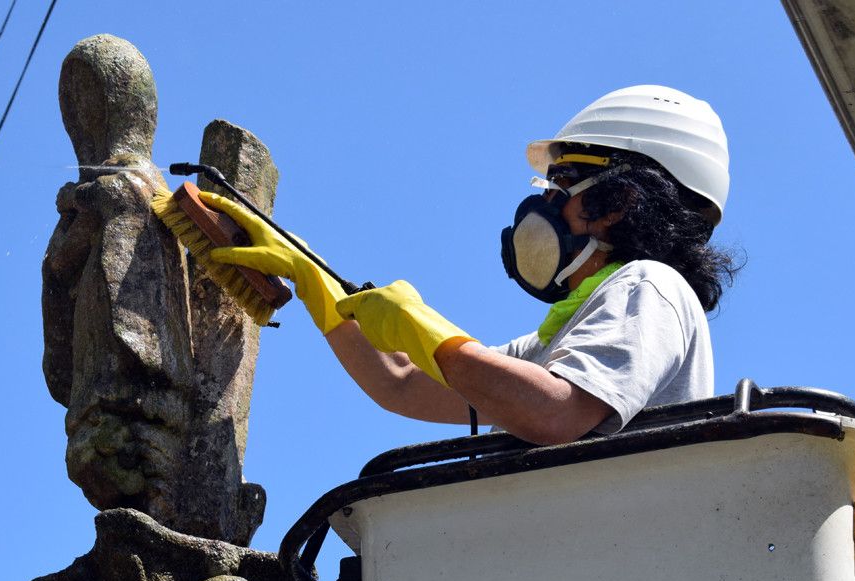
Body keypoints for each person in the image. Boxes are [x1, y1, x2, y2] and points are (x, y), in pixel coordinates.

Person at [199, 85, 739, 445]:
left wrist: (429, 332)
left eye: (562, 182)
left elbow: (555, 412)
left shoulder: (650, 285)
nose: (543, 203)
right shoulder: (555, 344)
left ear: (619, 202)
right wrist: (316, 282)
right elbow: (402, 384)